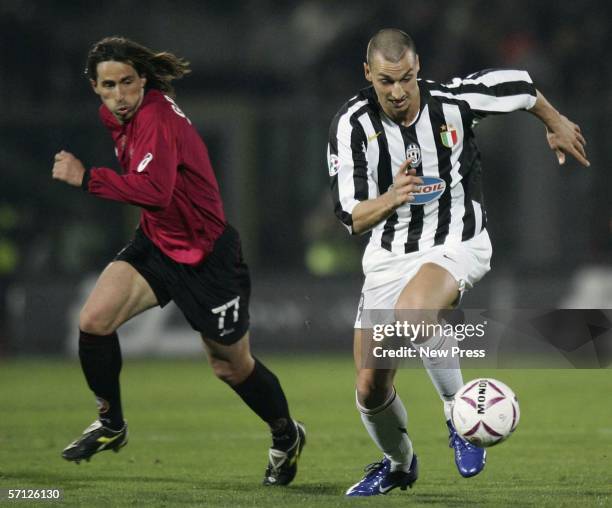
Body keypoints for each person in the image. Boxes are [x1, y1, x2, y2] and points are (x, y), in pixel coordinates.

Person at [327, 28, 589, 496]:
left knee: (414, 313)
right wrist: (392, 197)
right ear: (368, 74)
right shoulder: (351, 126)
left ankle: (457, 413)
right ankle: (399, 463)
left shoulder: (453, 102)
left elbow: (522, 87)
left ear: (418, 67)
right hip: (388, 255)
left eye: (406, 78)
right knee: (369, 389)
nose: (398, 92)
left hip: (458, 240)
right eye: (386, 81)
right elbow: (350, 216)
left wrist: (556, 122)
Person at [51, 36, 305, 486]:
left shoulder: (156, 116)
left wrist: (86, 177)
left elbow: (154, 190)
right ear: (95, 87)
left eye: (127, 82)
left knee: (230, 366)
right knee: (94, 321)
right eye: (108, 85)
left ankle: (286, 436)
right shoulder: (111, 116)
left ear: (142, 80)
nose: (119, 95)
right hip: (157, 241)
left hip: (207, 254)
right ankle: (111, 424)